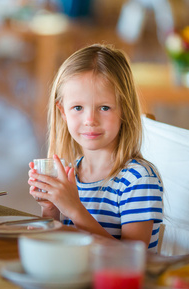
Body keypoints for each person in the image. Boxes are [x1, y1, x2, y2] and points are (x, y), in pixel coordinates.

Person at [28, 44, 163, 252]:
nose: (90, 120)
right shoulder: (72, 174)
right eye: (78, 108)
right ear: (63, 112)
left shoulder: (138, 179)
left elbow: (131, 256)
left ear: (125, 110)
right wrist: (51, 209)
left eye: (104, 107)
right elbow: (56, 246)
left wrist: (74, 209)